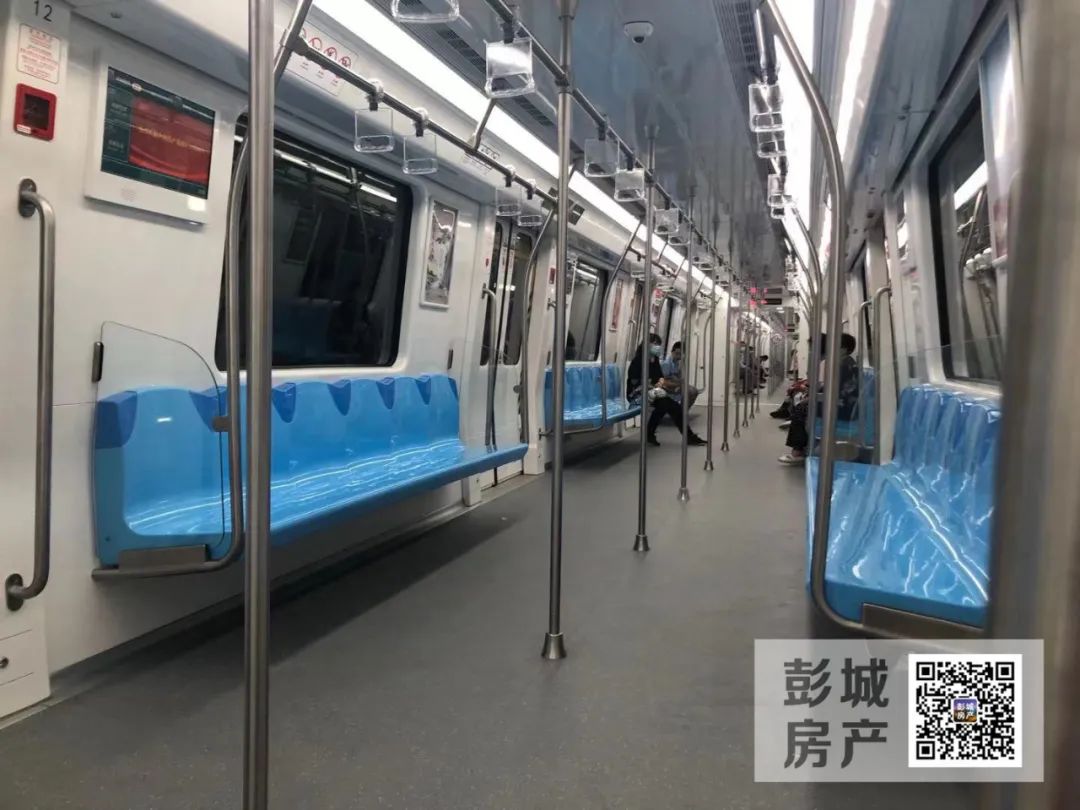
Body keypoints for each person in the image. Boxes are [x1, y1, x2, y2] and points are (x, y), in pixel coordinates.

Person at [778, 332, 860, 465]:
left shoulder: (843, 366)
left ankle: (797, 452)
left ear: (844, 349)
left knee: (802, 408)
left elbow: (835, 392)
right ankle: (802, 445)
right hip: (845, 404)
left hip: (842, 408)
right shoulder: (847, 363)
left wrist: (814, 398)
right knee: (805, 404)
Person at [627, 334, 706, 447]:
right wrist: (651, 386)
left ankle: (688, 436)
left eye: (658, 344)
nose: (657, 346)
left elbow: (660, 378)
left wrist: (660, 385)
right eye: (655, 344)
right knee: (665, 405)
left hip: (652, 391)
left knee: (673, 407)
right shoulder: (638, 360)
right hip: (636, 394)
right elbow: (634, 381)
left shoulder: (654, 360)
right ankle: (650, 433)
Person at [661, 341, 701, 409]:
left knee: (694, 391)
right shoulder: (666, 364)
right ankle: (681, 411)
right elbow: (663, 382)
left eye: (680, 354)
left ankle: (682, 410)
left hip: (676, 385)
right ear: (672, 352)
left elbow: (680, 377)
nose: (678, 356)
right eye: (677, 353)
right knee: (691, 391)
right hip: (668, 387)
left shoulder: (677, 363)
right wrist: (678, 384)